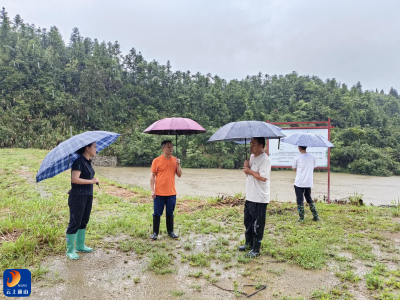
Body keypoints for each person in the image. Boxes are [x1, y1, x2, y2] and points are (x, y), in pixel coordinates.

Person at [238, 137, 271, 258]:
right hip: (250, 195)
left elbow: (263, 177)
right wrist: (246, 168)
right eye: (250, 144)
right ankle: (248, 243)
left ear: (261, 146)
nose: (251, 146)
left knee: (258, 224)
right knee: (248, 221)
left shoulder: (265, 160)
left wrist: (249, 171)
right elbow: (249, 174)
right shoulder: (252, 157)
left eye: (253, 144)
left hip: (260, 198)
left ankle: (256, 249)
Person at [66, 142, 99, 260]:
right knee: (75, 221)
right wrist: (92, 181)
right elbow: (75, 179)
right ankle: (70, 250)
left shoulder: (87, 162)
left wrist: (92, 180)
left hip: (87, 195)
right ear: (87, 148)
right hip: (78, 196)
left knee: (84, 220)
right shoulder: (78, 161)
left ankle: (80, 245)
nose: (96, 149)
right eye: (94, 147)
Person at [149, 140, 182, 240]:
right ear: (163, 149)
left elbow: (179, 175)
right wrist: (152, 190)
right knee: (157, 213)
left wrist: (179, 164)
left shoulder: (175, 160)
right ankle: (155, 233)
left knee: (170, 213)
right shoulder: (156, 161)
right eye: (168, 147)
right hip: (159, 192)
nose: (171, 148)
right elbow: (152, 175)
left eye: (172, 146)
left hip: (171, 192)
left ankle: (170, 232)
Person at [292, 146, 319, 222]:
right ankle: (315, 216)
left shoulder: (297, 157)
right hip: (308, 182)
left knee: (300, 200)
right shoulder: (312, 157)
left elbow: (294, 169)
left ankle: (301, 218)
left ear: (299, 148)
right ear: (306, 147)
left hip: (299, 182)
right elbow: (313, 167)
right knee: (309, 198)